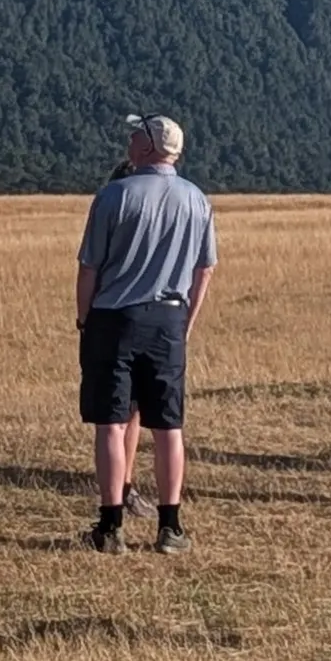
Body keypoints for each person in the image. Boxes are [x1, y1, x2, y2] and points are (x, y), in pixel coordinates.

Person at [73, 113, 217, 555]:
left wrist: (84, 320)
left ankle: (110, 524)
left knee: (111, 423)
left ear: (149, 146)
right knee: (168, 426)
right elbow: (204, 269)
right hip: (169, 320)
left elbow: (89, 267)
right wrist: (186, 321)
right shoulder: (197, 199)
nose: (129, 139)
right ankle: (170, 526)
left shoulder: (114, 195)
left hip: (114, 317)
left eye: (136, 134)